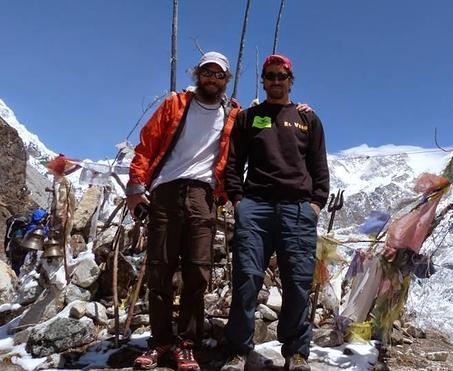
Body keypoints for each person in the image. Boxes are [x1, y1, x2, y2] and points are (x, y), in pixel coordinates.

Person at [127, 52, 313, 371]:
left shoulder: (233, 114)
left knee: (197, 272)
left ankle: (187, 344)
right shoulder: (175, 104)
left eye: (218, 75)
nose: (211, 79)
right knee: (159, 269)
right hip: (166, 191)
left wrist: (302, 110)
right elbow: (147, 143)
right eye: (207, 73)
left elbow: (277, 132)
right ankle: (159, 342)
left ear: (226, 80)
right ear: (197, 74)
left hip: (203, 196)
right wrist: (135, 183)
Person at [221, 54, 329, 371]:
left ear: (290, 79)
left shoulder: (308, 119)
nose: (276, 81)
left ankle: (296, 353)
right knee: (247, 278)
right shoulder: (248, 118)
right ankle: (238, 350)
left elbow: (319, 167)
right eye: (270, 76)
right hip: (255, 207)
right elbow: (233, 163)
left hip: (298, 210)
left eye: (281, 75)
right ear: (264, 80)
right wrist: (238, 201)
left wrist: (316, 204)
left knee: (297, 283)